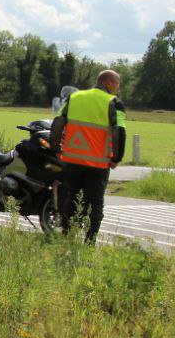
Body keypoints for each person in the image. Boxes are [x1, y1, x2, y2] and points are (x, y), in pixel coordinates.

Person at [50, 69, 126, 242]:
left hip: (72, 160)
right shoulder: (114, 103)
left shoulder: (74, 98)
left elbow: (57, 122)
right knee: (95, 203)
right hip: (98, 164)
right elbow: (119, 132)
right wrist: (116, 158)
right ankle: (90, 242)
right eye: (116, 84)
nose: (117, 88)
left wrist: (56, 148)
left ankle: (67, 237)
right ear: (108, 83)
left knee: (71, 198)